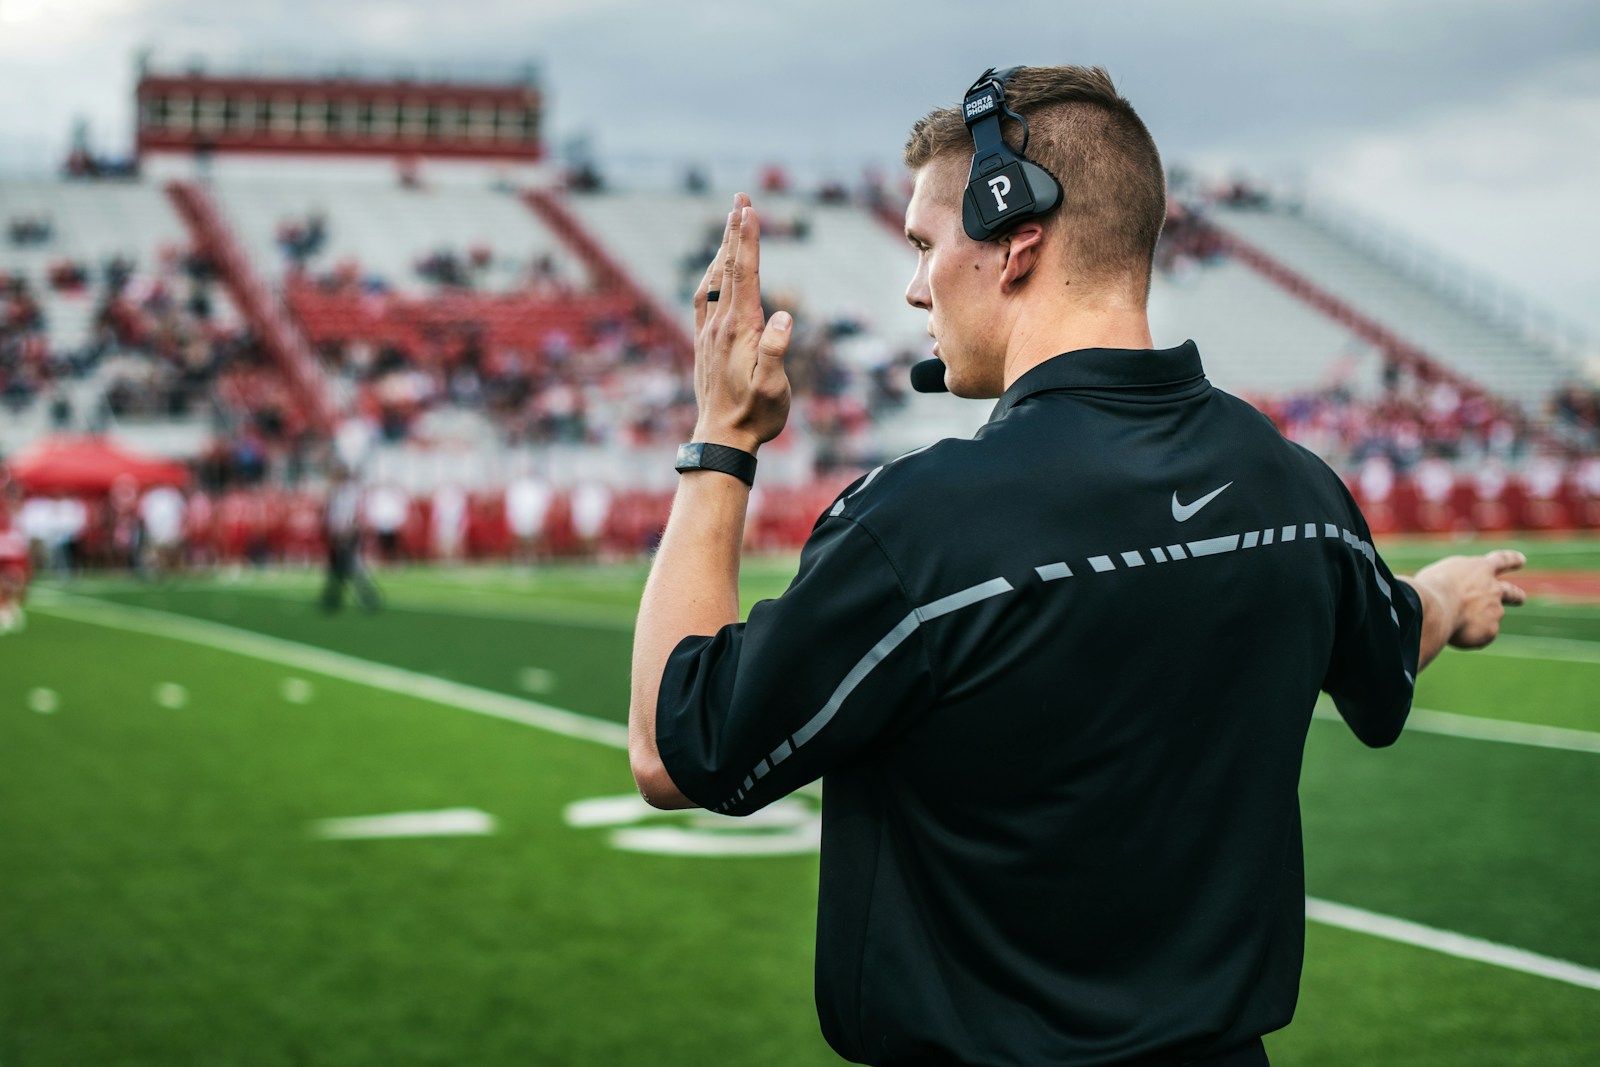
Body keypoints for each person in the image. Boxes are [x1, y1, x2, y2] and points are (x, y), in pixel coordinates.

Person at [628, 66, 1526, 1067]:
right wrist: (1448, 590)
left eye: (927, 245)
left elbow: (677, 748)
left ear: (1017, 240)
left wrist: (720, 442)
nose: (916, 285)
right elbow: (1389, 641)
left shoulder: (921, 522)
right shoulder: (1298, 492)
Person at [319, 464, 380, 612]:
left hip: (347, 533)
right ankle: (334, 599)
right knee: (339, 566)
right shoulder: (337, 493)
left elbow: (353, 514)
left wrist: (347, 531)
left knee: (347, 565)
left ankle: (364, 597)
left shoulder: (348, 493)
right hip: (339, 533)